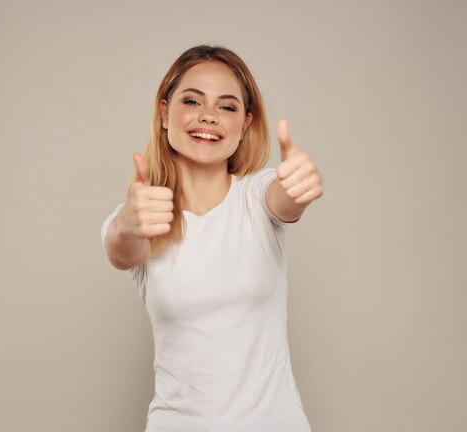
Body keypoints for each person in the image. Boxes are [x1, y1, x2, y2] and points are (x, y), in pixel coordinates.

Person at [101, 45, 323, 432]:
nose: (208, 116)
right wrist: (130, 222)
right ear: (165, 112)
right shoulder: (143, 215)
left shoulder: (258, 194)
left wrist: (297, 185)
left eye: (227, 106)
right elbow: (122, 247)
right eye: (192, 100)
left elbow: (285, 202)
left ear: (245, 124)